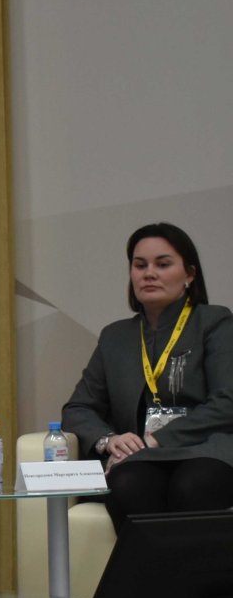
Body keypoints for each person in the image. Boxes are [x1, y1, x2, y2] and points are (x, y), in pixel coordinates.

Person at [62, 222, 233, 533]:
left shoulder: (215, 321)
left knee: (193, 486)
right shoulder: (115, 336)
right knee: (127, 485)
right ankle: (156, 568)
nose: (149, 273)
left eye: (163, 264)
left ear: (189, 274)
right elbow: (78, 408)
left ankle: (185, 569)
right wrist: (109, 440)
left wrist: (155, 439)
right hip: (142, 459)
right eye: (140, 265)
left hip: (205, 449)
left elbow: (227, 401)